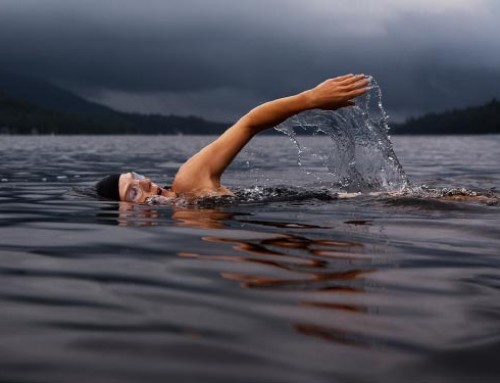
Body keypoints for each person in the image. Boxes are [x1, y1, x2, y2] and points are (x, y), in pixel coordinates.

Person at [96, 74, 370, 203]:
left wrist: (310, 99)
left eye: (137, 177)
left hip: (352, 203)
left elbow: (249, 123)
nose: (144, 182)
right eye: (133, 191)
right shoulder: (186, 221)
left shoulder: (189, 183)